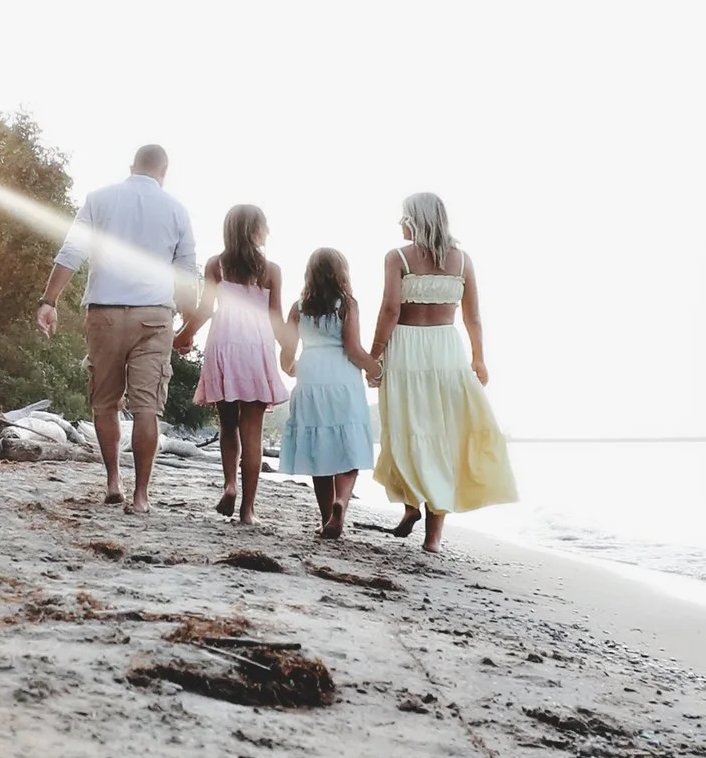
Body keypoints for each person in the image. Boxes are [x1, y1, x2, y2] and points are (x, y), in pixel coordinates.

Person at [35, 142, 197, 511]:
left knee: (104, 403)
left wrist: (49, 301)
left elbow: (72, 251)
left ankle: (113, 481)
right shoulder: (177, 210)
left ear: (131, 166)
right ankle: (141, 496)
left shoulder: (99, 198)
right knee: (147, 408)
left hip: (105, 314)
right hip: (154, 318)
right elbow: (187, 275)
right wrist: (188, 325)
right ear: (164, 171)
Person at [367, 189, 516, 554]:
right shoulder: (462, 260)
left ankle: (411, 507)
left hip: (405, 350)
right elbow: (473, 316)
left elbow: (389, 312)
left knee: (406, 430)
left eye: (404, 216)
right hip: (446, 351)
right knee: (442, 437)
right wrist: (478, 358)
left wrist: (374, 357)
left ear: (415, 220)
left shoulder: (397, 257)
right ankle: (430, 536)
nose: (400, 223)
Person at [192, 203, 288, 523]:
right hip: (256, 348)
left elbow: (206, 310)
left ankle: (230, 484)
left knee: (228, 425)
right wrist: (290, 351)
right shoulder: (270, 270)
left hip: (223, 344)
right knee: (253, 434)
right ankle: (248, 511)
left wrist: (183, 335)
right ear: (256, 231)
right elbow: (276, 319)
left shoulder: (216, 266)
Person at [278, 245, 375, 539]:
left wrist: (294, 369)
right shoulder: (347, 305)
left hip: (311, 375)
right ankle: (340, 503)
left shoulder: (298, 308)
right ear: (341, 274)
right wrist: (377, 370)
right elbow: (353, 349)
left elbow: (286, 356)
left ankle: (326, 518)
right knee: (350, 450)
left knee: (318, 452)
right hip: (343, 378)